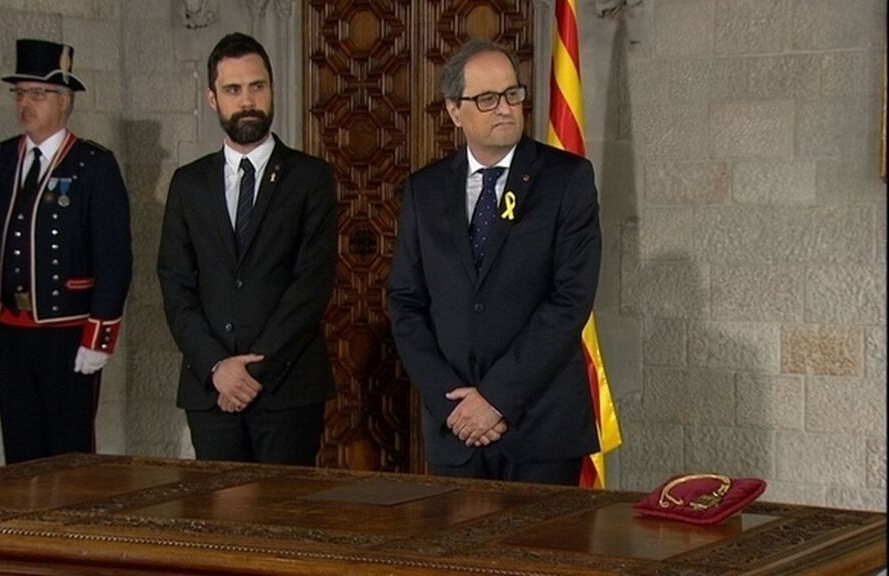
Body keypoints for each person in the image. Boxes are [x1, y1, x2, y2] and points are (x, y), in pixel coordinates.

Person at [387, 39, 601, 485]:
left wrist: (495, 399)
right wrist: (453, 405)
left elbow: (570, 302)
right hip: (456, 430)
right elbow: (406, 303)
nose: (504, 108)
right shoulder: (425, 191)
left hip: (541, 430)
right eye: (486, 99)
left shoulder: (567, 179)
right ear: (454, 110)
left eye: (511, 94)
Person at [157, 32, 337, 465]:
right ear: (213, 98)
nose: (248, 100)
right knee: (218, 509)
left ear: (272, 89)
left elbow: (310, 286)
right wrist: (218, 367)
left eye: (257, 86)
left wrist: (252, 373)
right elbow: (176, 284)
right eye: (233, 89)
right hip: (210, 391)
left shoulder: (311, 178)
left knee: (282, 509)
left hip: (286, 391)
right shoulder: (188, 184)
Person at [0, 39, 133, 464]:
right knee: (19, 454)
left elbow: (115, 259)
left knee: (69, 456)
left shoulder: (93, 165)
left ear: (64, 101)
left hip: (67, 333)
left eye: (38, 94)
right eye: (20, 94)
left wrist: (99, 336)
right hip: (9, 332)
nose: (25, 104)